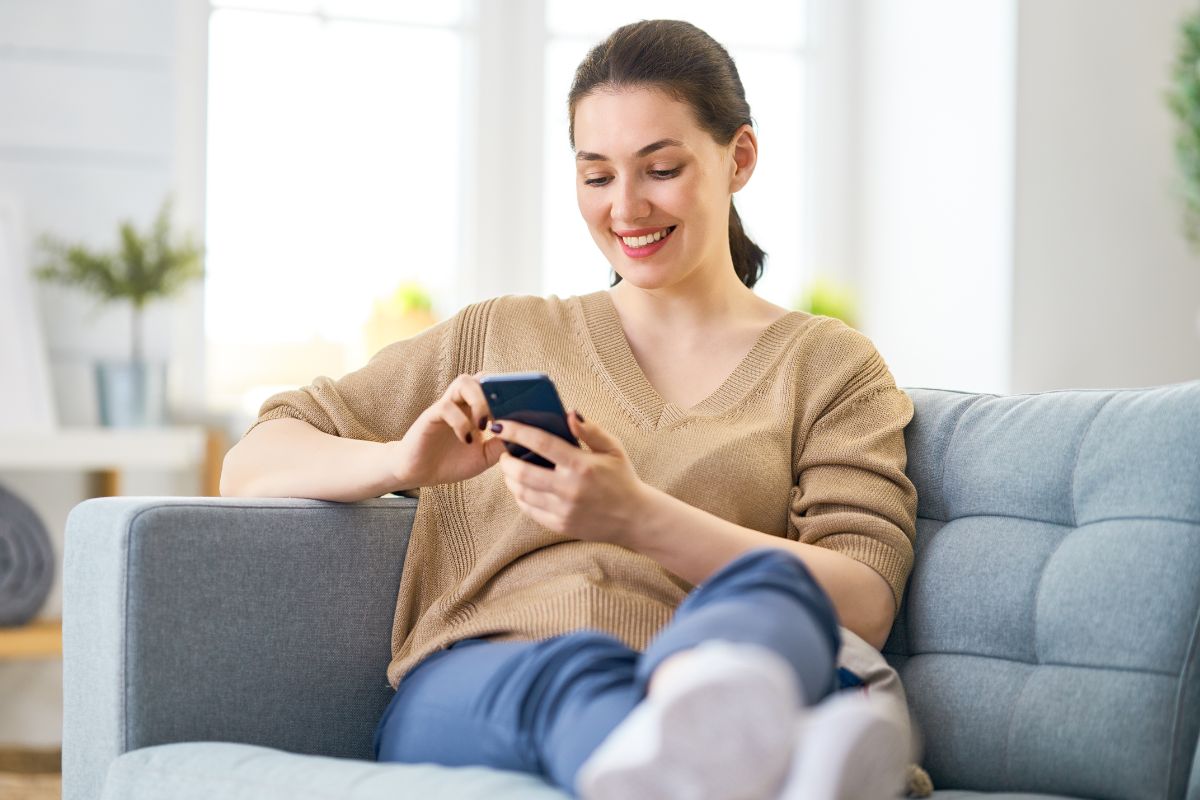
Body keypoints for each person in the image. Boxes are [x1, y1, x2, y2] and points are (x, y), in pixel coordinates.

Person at [221, 18, 922, 800]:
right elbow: (251, 460)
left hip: (689, 663)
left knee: (774, 590)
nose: (626, 208)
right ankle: (759, 761)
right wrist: (401, 461)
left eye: (660, 169)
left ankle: (707, 747)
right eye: (597, 176)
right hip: (489, 679)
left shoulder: (829, 365)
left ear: (740, 158)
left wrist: (633, 515)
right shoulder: (503, 333)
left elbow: (863, 600)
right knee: (572, 673)